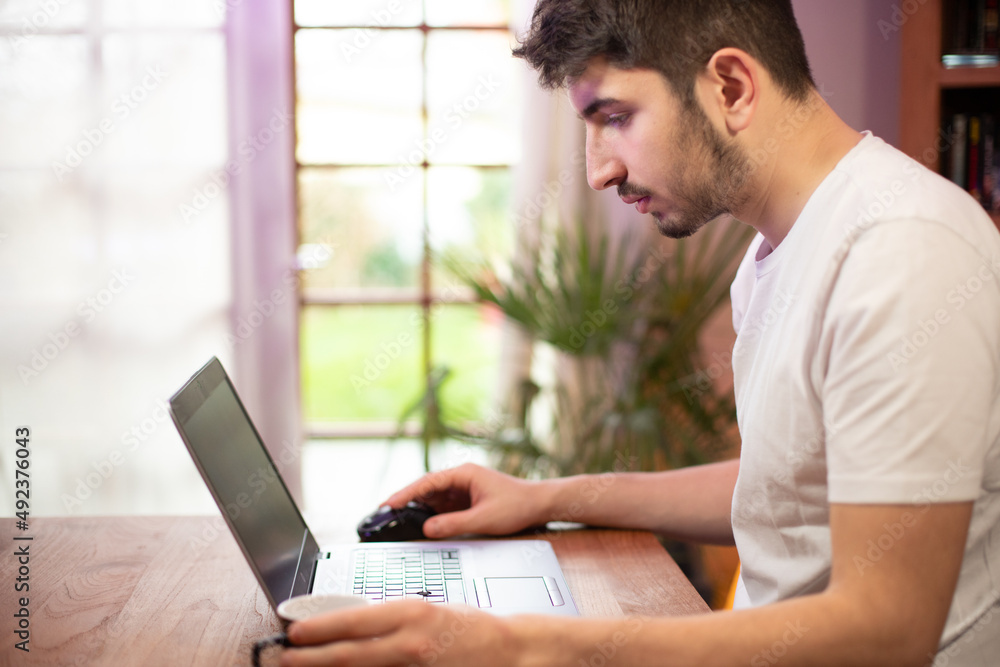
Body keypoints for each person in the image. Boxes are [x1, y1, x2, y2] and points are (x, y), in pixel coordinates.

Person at [281, 1, 1000, 665]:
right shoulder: (776, 255)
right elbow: (783, 486)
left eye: (614, 116)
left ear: (732, 87)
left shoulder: (902, 251)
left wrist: (520, 645)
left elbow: (889, 628)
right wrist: (547, 497)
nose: (599, 172)